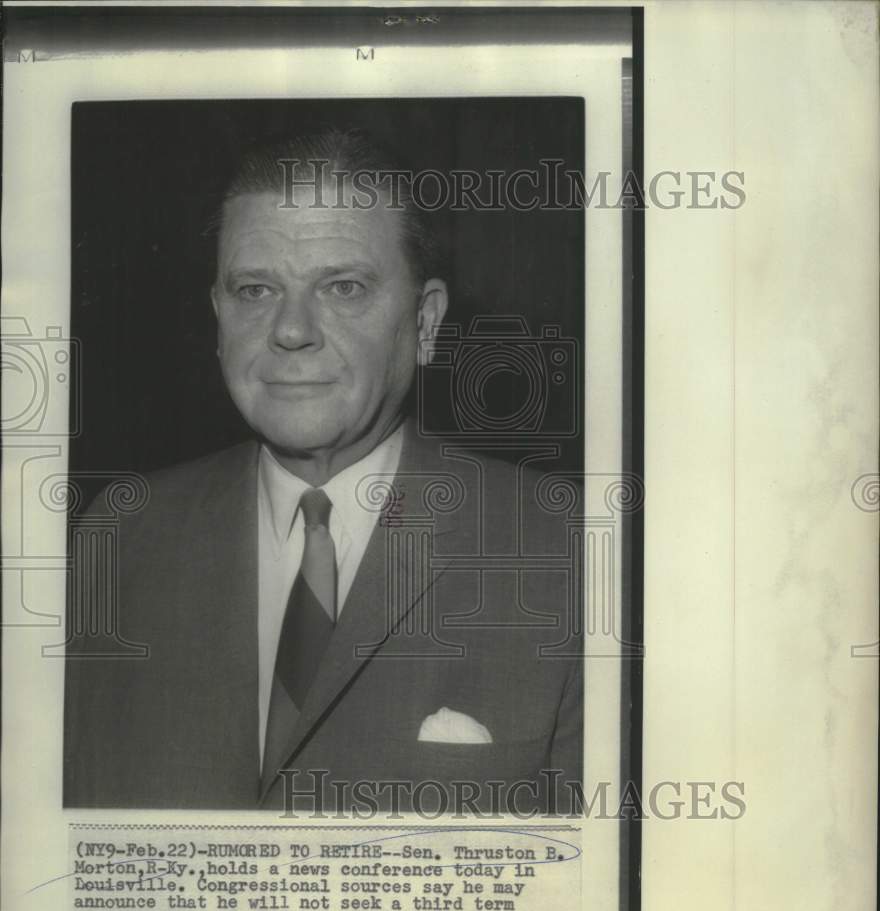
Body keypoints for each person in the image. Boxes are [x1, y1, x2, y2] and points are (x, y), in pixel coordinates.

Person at [63, 128, 583, 813]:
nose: (291, 329)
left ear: (425, 323)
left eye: (342, 287)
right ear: (219, 319)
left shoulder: (564, 549)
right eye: (255, 290)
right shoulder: (122, 536)